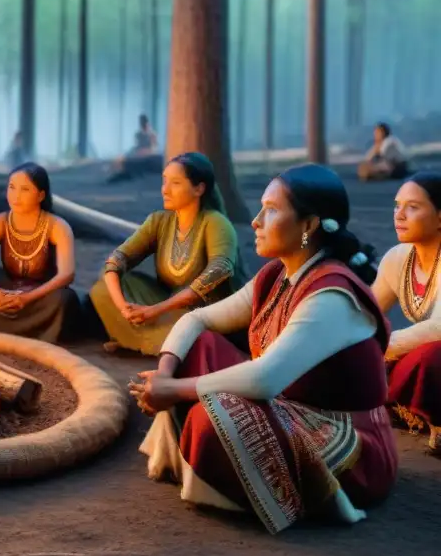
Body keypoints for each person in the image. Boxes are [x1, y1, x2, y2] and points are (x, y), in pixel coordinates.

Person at [131, 164, 396, 534]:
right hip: (289, 405)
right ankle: (213, 469)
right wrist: (163, 373)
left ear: (307, 226)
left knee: (209, 424)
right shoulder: (277, 274)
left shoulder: (333, 294)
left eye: (271, 210)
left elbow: (264, 379)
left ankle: (262, 492)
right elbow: (197, 320)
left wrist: (171, 390)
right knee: (198, 347)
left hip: (350, 443)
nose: (256, 221)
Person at [89, 153, 244, 356]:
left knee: (188, 326)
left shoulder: (216, 223)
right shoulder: (158, 221)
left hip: (203, 313)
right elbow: (118, 259)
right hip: (167, 306)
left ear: (199, 188)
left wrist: (154, 311)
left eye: (176, 183)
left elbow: (218, 271)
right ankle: (151, 343)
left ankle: (142, 342)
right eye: (164, 181)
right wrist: (125, 308)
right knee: (103, 289)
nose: (165, 190)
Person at [0, 163, 78, 343]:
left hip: (41, 295)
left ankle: (37, 333)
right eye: (12, 188)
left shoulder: (57, 226)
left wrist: (26, 299)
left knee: (63, 298)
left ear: (41, 195)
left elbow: (67, 274)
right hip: (8, 289)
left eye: (25, 189)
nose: (16, 196)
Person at [372, 171, 441, 456]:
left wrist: (377, 348)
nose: (399, 215)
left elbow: (438, 328)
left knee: (430, 356)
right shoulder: (398, 258)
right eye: (397, 205)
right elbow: (365, 315)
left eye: (413, 207)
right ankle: (412, 408)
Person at [107, 115, 162, 183]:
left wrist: (144, 151)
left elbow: (154, 149)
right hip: (137, 152)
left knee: (129, 162)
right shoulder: (138, 134)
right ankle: (113, 170)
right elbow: (137, 145)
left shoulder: (152, 134)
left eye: (144, 123)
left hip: (146, 155)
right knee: (121, 157)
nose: (142, 125)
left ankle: (120, 171)